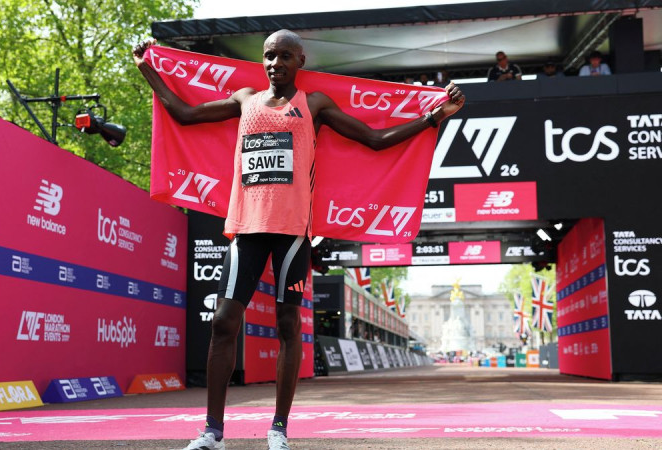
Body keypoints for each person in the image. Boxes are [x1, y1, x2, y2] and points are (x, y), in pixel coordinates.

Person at [133, 30, 465, 450]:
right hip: (247, 227)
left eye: (285, 56)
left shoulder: (314, 105)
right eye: (270, 56)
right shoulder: (245, 100)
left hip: (292, 232)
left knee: (287, 326)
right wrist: (148, 69)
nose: (276, 64)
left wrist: (435, 117)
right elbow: (183, 114)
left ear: (300, 61)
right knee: (222, 322)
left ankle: (278, 429)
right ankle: (212, 432)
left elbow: (375, 140)